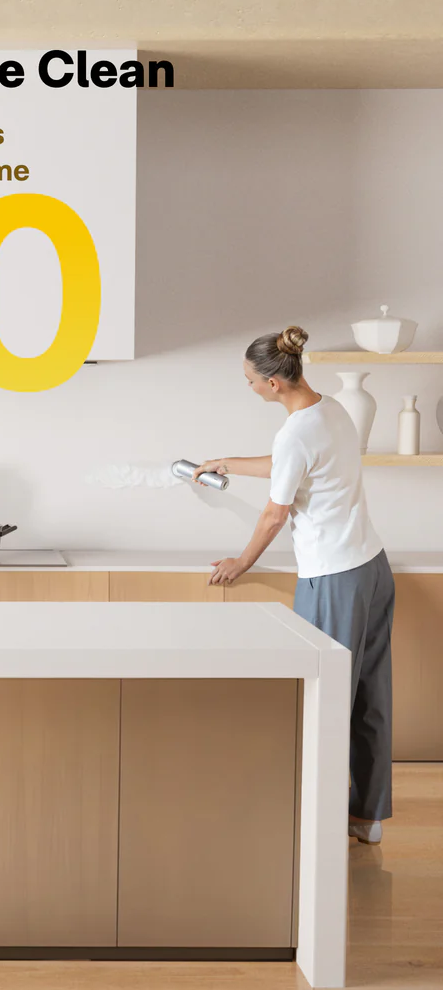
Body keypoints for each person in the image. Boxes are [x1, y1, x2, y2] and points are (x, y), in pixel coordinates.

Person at [194, 325, 394, 846]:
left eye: (250, 381)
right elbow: (291, 468)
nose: (250, 387)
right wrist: (225, 463)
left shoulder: (295, 431)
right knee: (368, 696)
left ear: (274, 384)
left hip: (334, 577)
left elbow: (273, 515)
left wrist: (242, 562)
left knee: (324, 697)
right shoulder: (330, 411)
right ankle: (366, 817)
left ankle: (319, 822)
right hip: (371, 566)